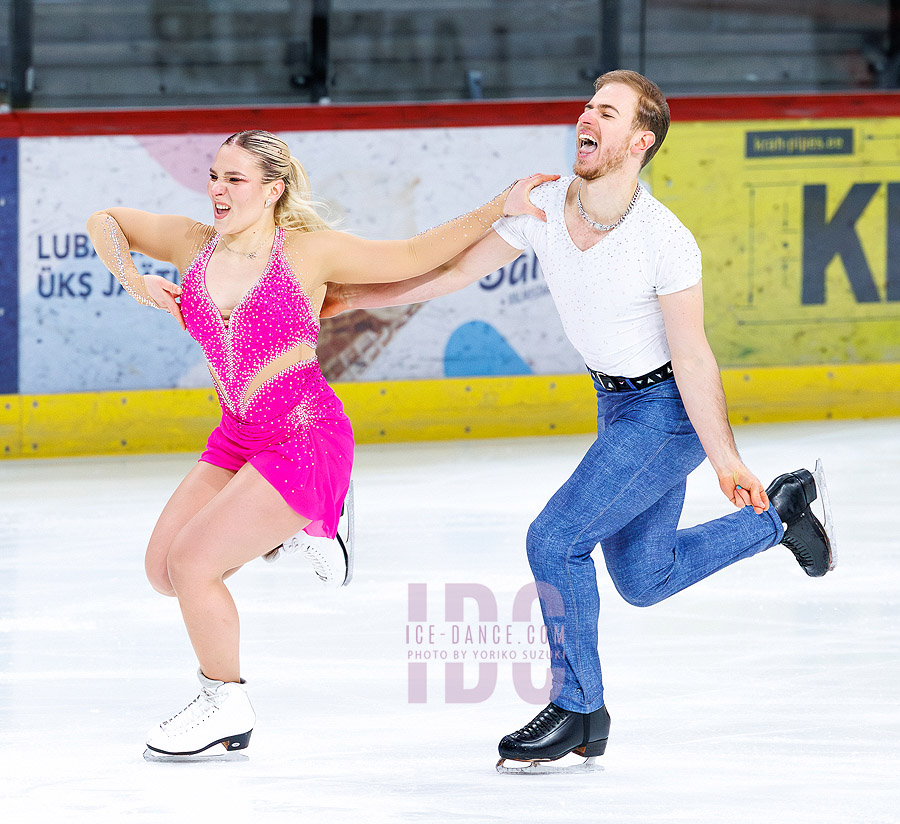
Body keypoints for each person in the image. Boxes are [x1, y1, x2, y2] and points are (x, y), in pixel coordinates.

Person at [320, 70, 836, 774]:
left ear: (640, 141)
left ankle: (580, 709)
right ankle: (780, 517)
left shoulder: (665, 240)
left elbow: (692, 354)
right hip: (616, 406)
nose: (586, 117)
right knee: (646, 578)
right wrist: (354, 298)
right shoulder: (542, 207)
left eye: (608, 112)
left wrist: (725, 460)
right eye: (588, 106)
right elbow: (452, 273)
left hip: (666, 414)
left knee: (555, 540)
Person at [87, 129, 551, 761]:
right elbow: (106, 221)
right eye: (215, 176)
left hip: (304, 436)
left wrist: (500, 204)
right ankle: (305, 524)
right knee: (163, 572)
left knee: (193, 564)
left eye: (235, 179)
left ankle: (225, 703)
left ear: (273, 190)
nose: (218, 190)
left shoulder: (309, 253)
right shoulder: (193, 245)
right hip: (238, 435)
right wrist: (134, 280)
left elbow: (415, 254)